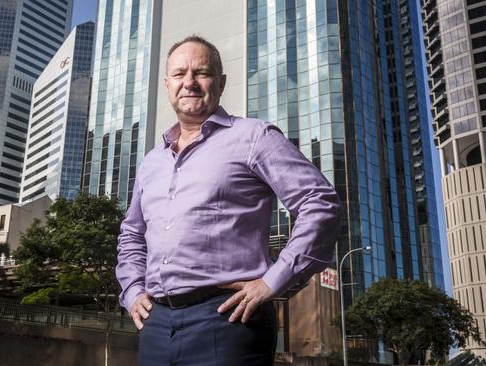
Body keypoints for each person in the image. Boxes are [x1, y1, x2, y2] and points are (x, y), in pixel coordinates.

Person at [116, 35, 342, 366]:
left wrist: (271, 282)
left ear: (220, 83)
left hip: (228, 319)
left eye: (201, 72)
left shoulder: (254, 137)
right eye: (179, 74)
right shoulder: (152, 162)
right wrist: (133, 291)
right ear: (167, 85)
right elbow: (132, 234)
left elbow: (320, 203)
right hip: (156, 325)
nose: (189, 82)